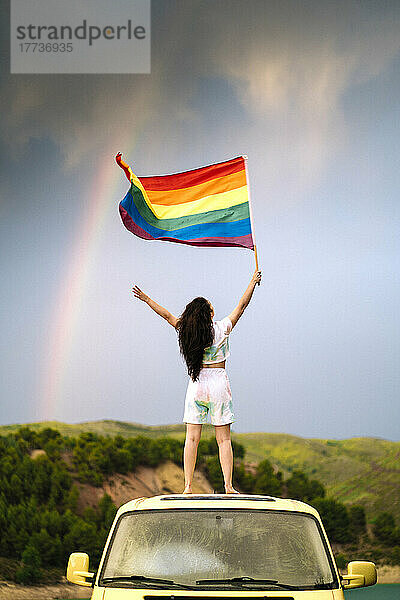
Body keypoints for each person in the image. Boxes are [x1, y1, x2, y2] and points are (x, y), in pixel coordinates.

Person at [132, 269, 262, 494]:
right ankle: (228, 486)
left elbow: (166, 315)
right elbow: (241, 306)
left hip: (197, 383)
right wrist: (252, 281)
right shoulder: (221, 328)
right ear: (209, 314)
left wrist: (147, 299)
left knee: (191, 439)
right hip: (218, 383)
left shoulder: (187, 331)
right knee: (223, 440)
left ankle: (188, 486)